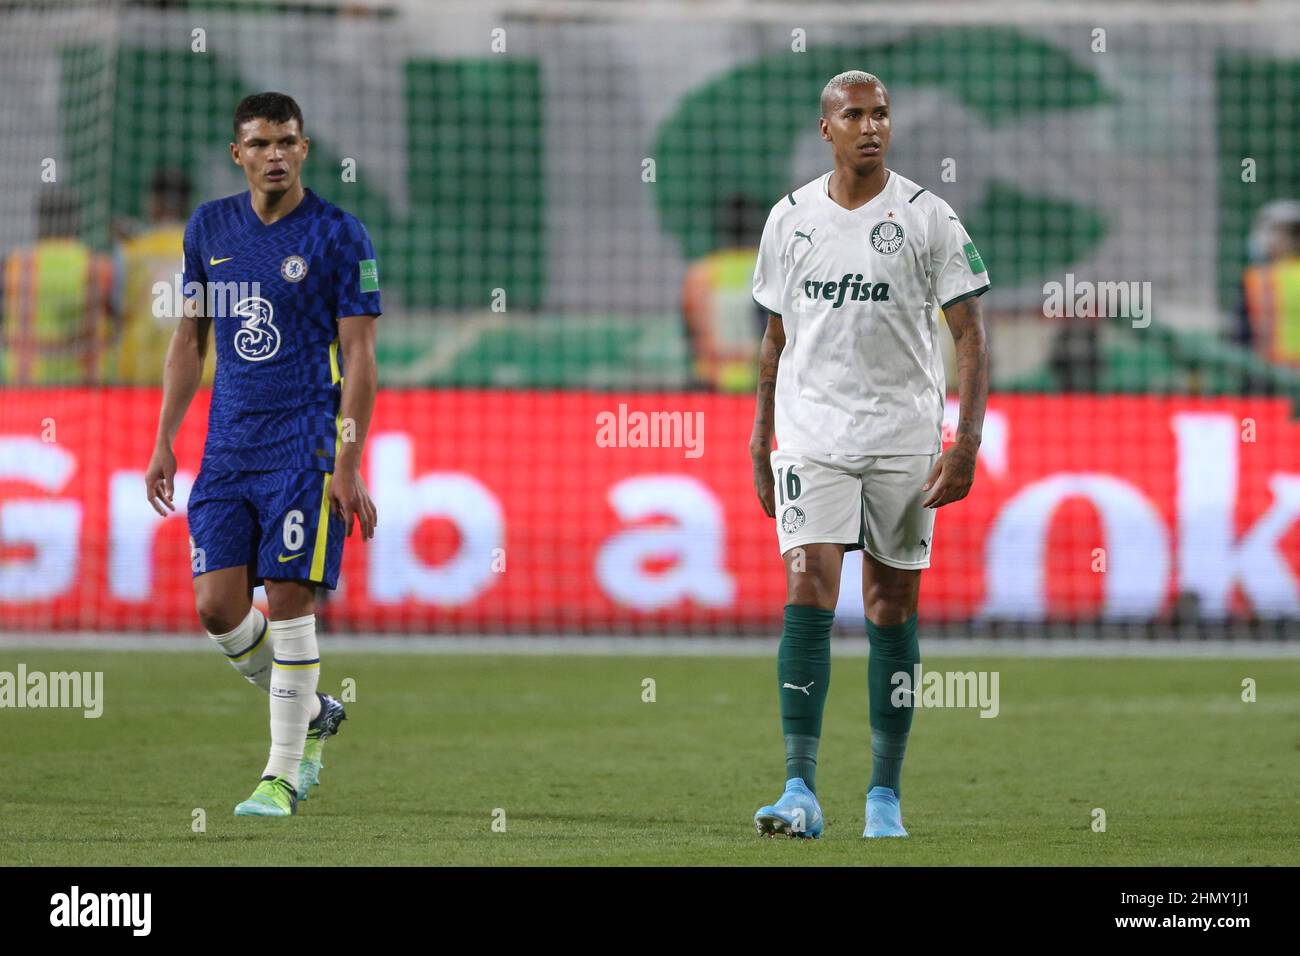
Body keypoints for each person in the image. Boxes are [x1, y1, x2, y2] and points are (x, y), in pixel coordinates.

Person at [748, 71, 990, 839]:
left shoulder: (928, 217)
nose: (871, 126)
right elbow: (776, 337)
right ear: (827, 128)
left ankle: (883, 796)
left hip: (901, 437)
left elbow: (972, 336)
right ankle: (799, 790)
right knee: (809, 586)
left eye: (881, 113)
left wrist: (967, 441)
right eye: (854, 114)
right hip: (812, 435)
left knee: (890, 605)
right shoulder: (789, 219)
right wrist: (760, 435)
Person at [144, 92, 381, 817]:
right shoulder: (209, 228)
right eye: (261, 143)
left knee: (287, 598)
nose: (275, 154)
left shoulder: (339, 235)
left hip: (305, 442)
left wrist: (347, 462)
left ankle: (282, 774)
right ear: (237, 153)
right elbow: (191, 341)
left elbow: (361, 356)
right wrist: (163, 439)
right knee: (217, 606)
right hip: (228, 444)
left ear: (304, 149)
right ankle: (310, 709)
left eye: (287, 142)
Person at [111, 169, 214, 385]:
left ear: (153, 202)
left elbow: (117, 311)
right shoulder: (209, 250)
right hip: (198, 375)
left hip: (142, 375)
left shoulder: (130, 252)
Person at [0, 188, 115, 384]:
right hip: (81, 385)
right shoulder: (97, 266)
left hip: (22, 384)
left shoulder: (14, 264)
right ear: (75, 221)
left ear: (40, 221)